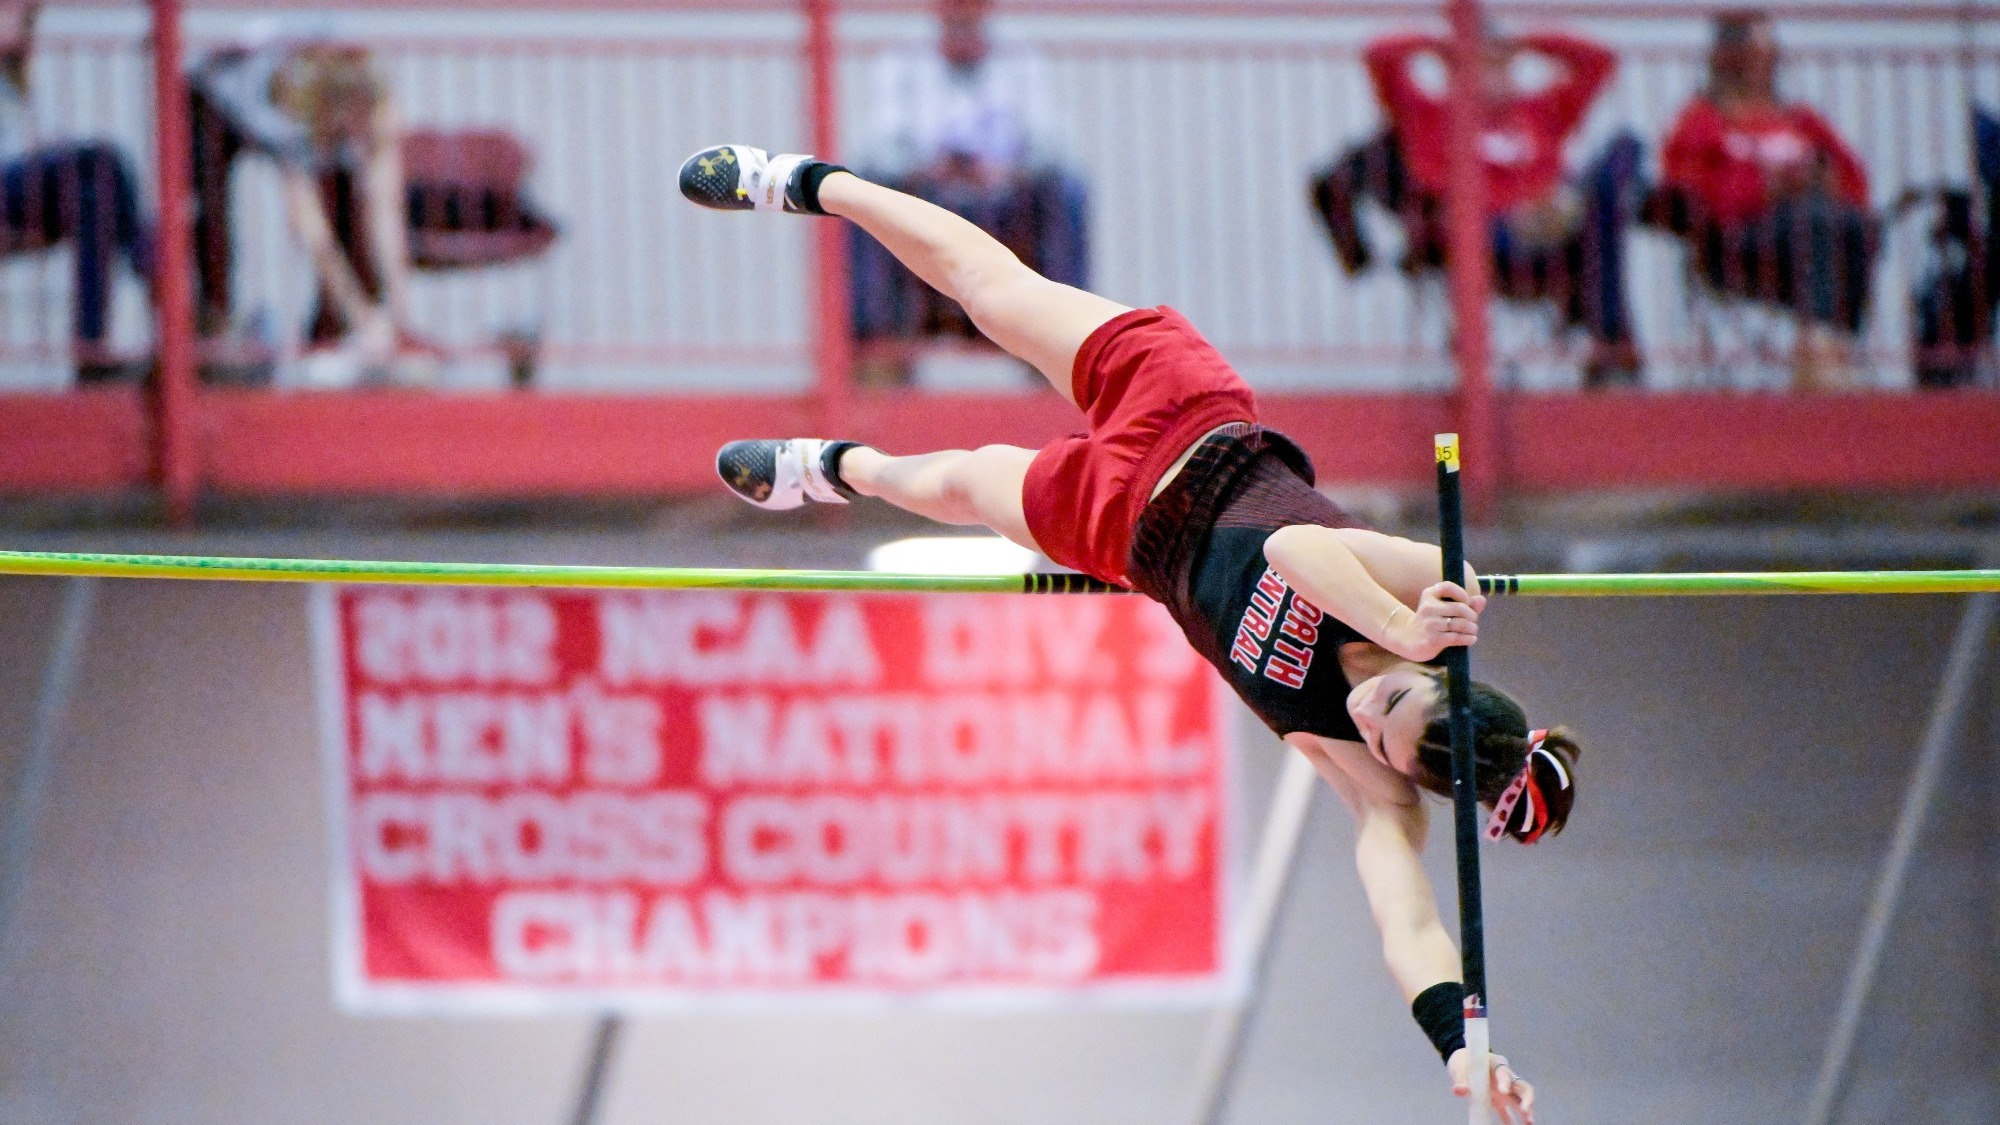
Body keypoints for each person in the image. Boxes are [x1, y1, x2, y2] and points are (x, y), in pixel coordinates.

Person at [681, 142, 1580, 1122]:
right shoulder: (1434, 595)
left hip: (1123, 534)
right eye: (1393, 703)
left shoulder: (1378, 787)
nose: (1363, 716)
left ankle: (834, 466)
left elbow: (1405, 922)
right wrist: (1408, 627)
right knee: (990, 290)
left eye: (1379, 743)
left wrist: (1458, 1049)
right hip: (1190, 416)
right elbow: (1290, 552)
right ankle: (804, 183)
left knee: (953, 485)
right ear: (1439, 677)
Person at [1314, 25, 1643, 387]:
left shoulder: (1539, 112)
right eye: (1475, 62)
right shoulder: (1428, 116)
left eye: (1496, 62)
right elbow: (1379, 55)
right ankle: (1474, 364)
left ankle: (1612, 350)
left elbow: (1600, 62)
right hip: (1474, 239)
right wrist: (1440, 43)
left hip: (1550, 237)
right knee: (1471, 224)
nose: (1488, 72)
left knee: (1626, 152)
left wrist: (1528, 41)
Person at [851, 0, 1087, 382]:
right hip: (924, 203)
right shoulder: (901, 65)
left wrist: (1003, 173)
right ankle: (876, 346)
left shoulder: (1022, 64)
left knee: (1067, 191)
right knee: (863, 195)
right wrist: (931, 170)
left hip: (1006, 210)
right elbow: (878, 150)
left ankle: (1066, 336)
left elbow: (1049, 148)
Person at [189, 38, 434, 384]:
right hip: (214, 100)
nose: (364, 144)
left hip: (303, 85)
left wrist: (398, 319)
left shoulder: (380, 107)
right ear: (339, 116)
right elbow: (311, 233)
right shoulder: (295, 115)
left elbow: (387, 212)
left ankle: (330, 339)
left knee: (349, 212)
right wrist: (363, 317)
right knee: (214, 223)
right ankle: (214, 335)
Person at [1654, 10, 1874, 389]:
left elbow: (1854, 184)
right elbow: (1695, 193)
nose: (1766, 61)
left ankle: (1832, 345)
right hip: (1739, 241)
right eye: (1756, 51)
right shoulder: (1702, 121)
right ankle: (1818, 347)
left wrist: (1823, 180)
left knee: (1854, 226)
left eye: (1769, 51)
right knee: (1818, 221)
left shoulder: (1801, 121)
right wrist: (1767, 188)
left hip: (1813, 232)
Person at [0, 3, 152, 384]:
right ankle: (174, 299)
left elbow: (29, 147)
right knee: (106, 162)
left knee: (98, 196)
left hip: (22, 189)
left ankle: (91, 352)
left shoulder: (16, 81)